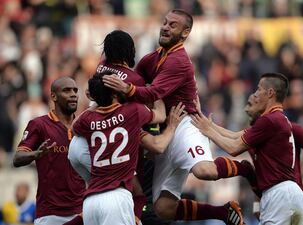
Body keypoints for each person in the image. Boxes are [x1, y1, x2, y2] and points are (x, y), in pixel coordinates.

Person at [103, 9, 251, 225]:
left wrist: (125, 87)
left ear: (185, 33)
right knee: (163, 209)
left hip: (185, 124)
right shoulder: (151, 59)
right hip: (166, 130)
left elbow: (152, 93)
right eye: (164, 22)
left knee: (204, 171)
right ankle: (223, 212)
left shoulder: (179, 61)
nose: (165, 27)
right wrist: (103, 89)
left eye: (173, 25)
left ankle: (244, 168)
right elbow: (137, 81)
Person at [191, 73, 303, 225]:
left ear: (270, 93)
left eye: (259, 89)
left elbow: (233, 148)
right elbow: (234, 136)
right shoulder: (277, 120)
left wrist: (207, 131)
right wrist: (208, 124)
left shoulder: (270, 120)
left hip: (280, 194)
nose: (256, 94)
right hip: (288, 194)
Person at [72, 72, 167, 225]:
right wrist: (156, 92)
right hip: (116, 197)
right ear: (114, 92)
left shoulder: (88, 119)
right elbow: (161, 115)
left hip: (90, 202)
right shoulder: (133, 111)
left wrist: (97, 100)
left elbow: (74, 127)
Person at [13, 77, 86, 225]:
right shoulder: (39, 125)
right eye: (66, 90)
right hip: (50, 213)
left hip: (81, 210)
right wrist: (36, 154)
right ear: (53, 96)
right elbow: (17, 158)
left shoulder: (84, 126)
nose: (73, 94)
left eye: (75, 90)